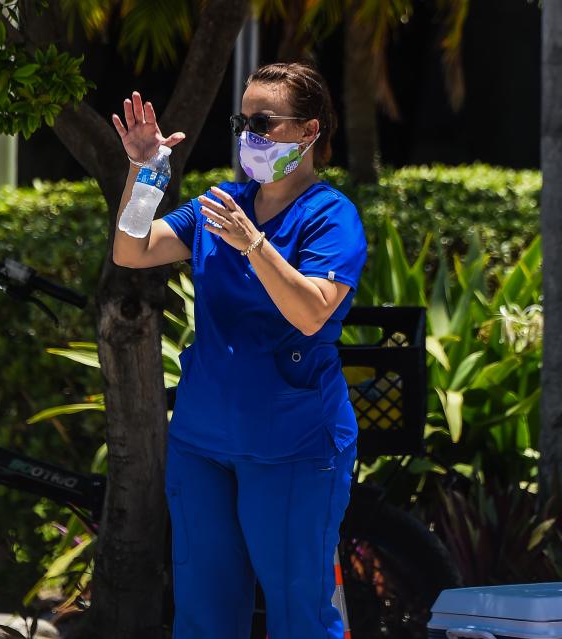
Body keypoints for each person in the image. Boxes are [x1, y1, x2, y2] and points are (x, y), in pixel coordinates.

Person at [111, 61, 368, 639]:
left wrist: (254, 245)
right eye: (242, 120)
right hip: (203, 442)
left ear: (309, 131)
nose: (248, 134)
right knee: (203, 617)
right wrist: (146, 172)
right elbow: (132, 251)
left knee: (300, 616)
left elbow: (309, 311)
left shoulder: (331, 217)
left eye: (263, 121)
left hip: (294, 445)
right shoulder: (221, 203)